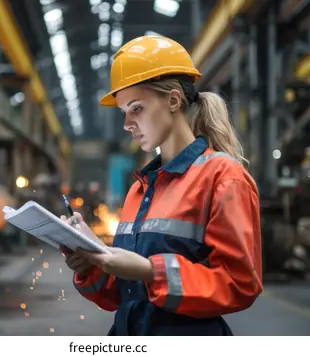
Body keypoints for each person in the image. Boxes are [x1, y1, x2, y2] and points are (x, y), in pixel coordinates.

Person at [59, 35, 263, 336]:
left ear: (173, 100)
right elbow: (122, 296)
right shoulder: (140, 189)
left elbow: (240, 284)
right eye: (123, 112)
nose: (127, 123)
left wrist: (149, 270)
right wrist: (92, 261)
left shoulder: (222, 178)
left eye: (137, 109)